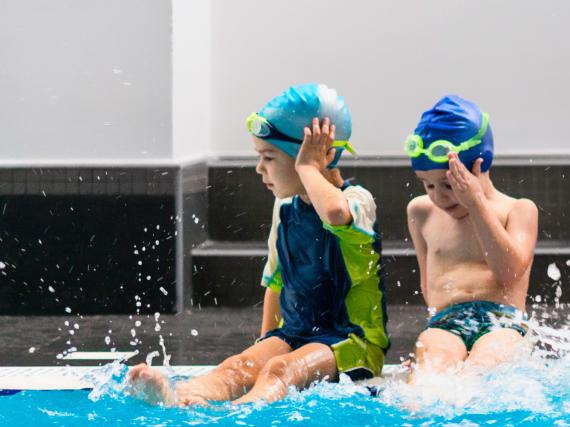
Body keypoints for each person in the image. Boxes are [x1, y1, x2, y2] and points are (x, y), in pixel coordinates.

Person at [126, 84, 389, 405]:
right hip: (295, 334)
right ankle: (180, 398)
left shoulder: (357, 201)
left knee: (279, 370)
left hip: (352, 343)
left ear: (323, 155)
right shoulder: (286, 208)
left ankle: (240, 416)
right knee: (239, 365)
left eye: (268, 156)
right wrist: (264, 345)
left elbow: (334, 213)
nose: (259, 168)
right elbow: (276, 283)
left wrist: (308, 167)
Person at [403, 95, 539, 381]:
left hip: (503, 323)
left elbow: (509, 274)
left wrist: (476, 203)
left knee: (483, 370)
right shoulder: (421, 213)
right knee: (431, 375)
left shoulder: (518, 210)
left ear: (479, 165)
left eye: (449, 184)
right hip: (446, 322)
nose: (438, 196)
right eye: (428, 185)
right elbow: (431, 291)